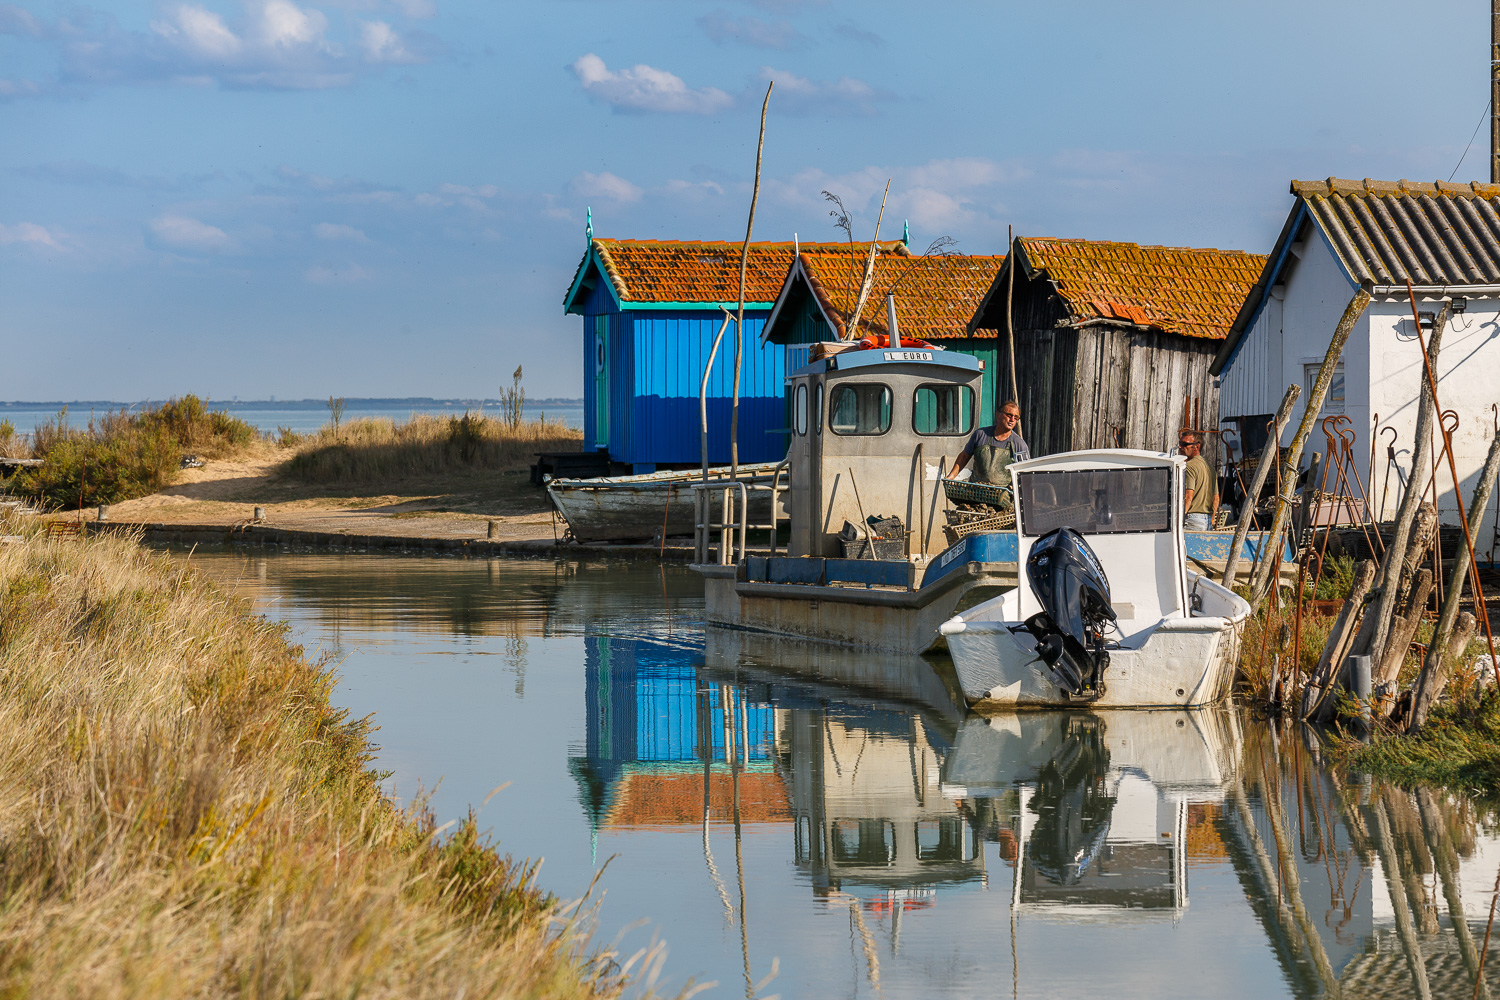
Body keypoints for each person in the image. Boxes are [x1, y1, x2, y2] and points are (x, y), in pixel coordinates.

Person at [951, 400, 1030, 490]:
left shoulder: (1019, 444)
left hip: (1003, 497)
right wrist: (951, 477)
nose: (1012, 420)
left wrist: (1015, 486)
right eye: (1009, 415)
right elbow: (965, 456)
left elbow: (1025, 473)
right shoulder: (980, 435)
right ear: (998, 415)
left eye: (1016, 417)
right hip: (975, 492)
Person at [1180, 430, 1218, 531]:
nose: (1180, 447)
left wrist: (1178, 520)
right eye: (1180, 443)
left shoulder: (1189, 467)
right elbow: (1216, 498)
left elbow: (1188, 497)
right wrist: (1212, 518)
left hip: (1192, 520)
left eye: (1184, 444)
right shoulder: (1210, 467)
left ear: (1197, 446)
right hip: (1207, 520)